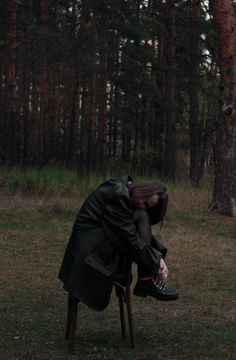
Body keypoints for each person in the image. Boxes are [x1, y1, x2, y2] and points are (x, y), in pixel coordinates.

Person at [58, 175, 178, 311]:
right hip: (87, 253)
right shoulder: (118, 195)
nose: (141, 203)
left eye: (146, 205)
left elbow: (128, 234)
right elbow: (128, 238)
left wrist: (157, 258)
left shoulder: (124, 191)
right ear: (144, 187)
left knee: (141, 215)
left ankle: (146, 280)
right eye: (144, 197)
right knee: (141, 216)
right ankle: (146, 280)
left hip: (97, 243)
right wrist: (156, 260)